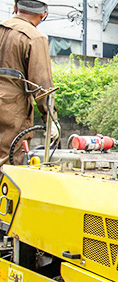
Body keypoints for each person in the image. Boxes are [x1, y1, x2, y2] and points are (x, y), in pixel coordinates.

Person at [0, 0, 53, 166]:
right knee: (9, 162)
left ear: (16, 8)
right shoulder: (35, 38)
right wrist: (51, 120)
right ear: (43, 14)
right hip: (12, 108)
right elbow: (42, 85)